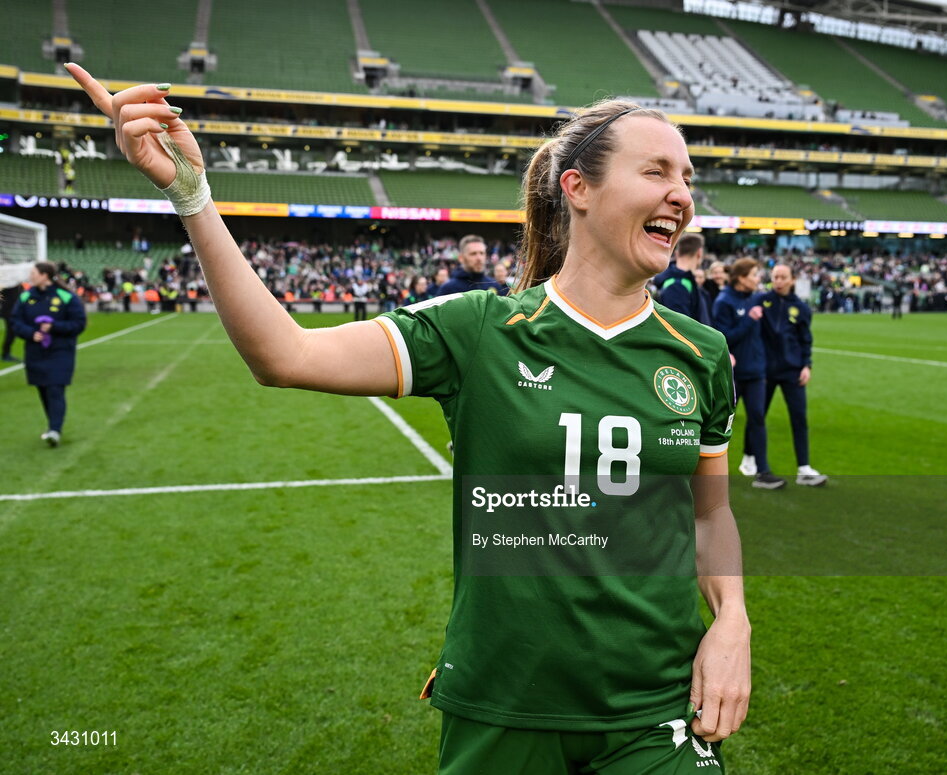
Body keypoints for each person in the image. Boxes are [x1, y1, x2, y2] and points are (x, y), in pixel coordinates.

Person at [67, 64, 750, 773]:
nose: (683, 194)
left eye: (690, 177)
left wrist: (733, 618)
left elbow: (708, 517)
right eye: (658, 171)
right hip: (502, 709)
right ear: (577, 188)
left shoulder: (701, 354)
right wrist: (191, 194)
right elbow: (283, 352)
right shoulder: (479, 330)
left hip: (656, 715)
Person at [712, 258, 785, 489]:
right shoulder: (724, 301)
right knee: (719, 423)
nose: (758, 279)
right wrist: (748, 320)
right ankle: (707, 477)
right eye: (754, 274)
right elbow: (721, 338)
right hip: (731, 373)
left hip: (755, 372)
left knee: (757, 419)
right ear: (741, 277)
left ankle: (763, 472)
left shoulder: (754, 299)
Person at [754, 264, 827, 486]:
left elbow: (806, 339)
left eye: (783, 277)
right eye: (775, 277)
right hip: (765, 371)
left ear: (792, 279)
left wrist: (807, 365)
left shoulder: (801, 308)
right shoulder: (761, 301)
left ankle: (804, 468)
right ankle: (755, 464)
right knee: (758, 418)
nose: (778, 281)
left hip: (792, 371)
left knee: (799, 419)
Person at [10, 261, 87, 446]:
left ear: (45, 275)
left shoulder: (65, 296)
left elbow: (79, 323)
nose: (31, 276)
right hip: (35, 353)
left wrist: (54, 327)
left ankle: (55, 430)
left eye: (34, 273)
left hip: (60, 352)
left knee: (55, 388)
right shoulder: (26, 297)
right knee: (43, 390)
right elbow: (15, 321)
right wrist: (30, 333)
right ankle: (52, 426)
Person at [653, 233, 711, 325]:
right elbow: (680, 328)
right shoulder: (677, 285)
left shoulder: (683, 281)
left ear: (676, 253)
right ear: (699, 253)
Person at [436, 235, 502, 295]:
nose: (479, 258)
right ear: (461, 258)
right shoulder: (448, 289)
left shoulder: (494, 286)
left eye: (482, 253)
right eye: (473, 253)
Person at [2, 282, 23, 362]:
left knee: (12, 332)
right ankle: (5, 353)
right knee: (11, 332)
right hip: (9, 311)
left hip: (14, 310)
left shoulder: (17, 283)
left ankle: (6, 353)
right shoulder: (8, 283)